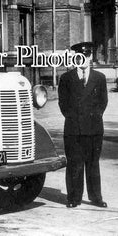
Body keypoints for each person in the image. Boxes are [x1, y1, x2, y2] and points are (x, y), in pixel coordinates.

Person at [58, 42, 108, 208]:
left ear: (90, 57)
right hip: (74, 129)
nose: (83, 59)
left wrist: (94, 118)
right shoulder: (66, 78)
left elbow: (103, 102)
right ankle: (73, 198)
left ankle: (96, 198)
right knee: (75, 164)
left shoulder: (99, 78)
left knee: (93, 164)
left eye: (86, 56)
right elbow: (63, 105)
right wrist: (74, 120)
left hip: (94, 129)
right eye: (80, 56)